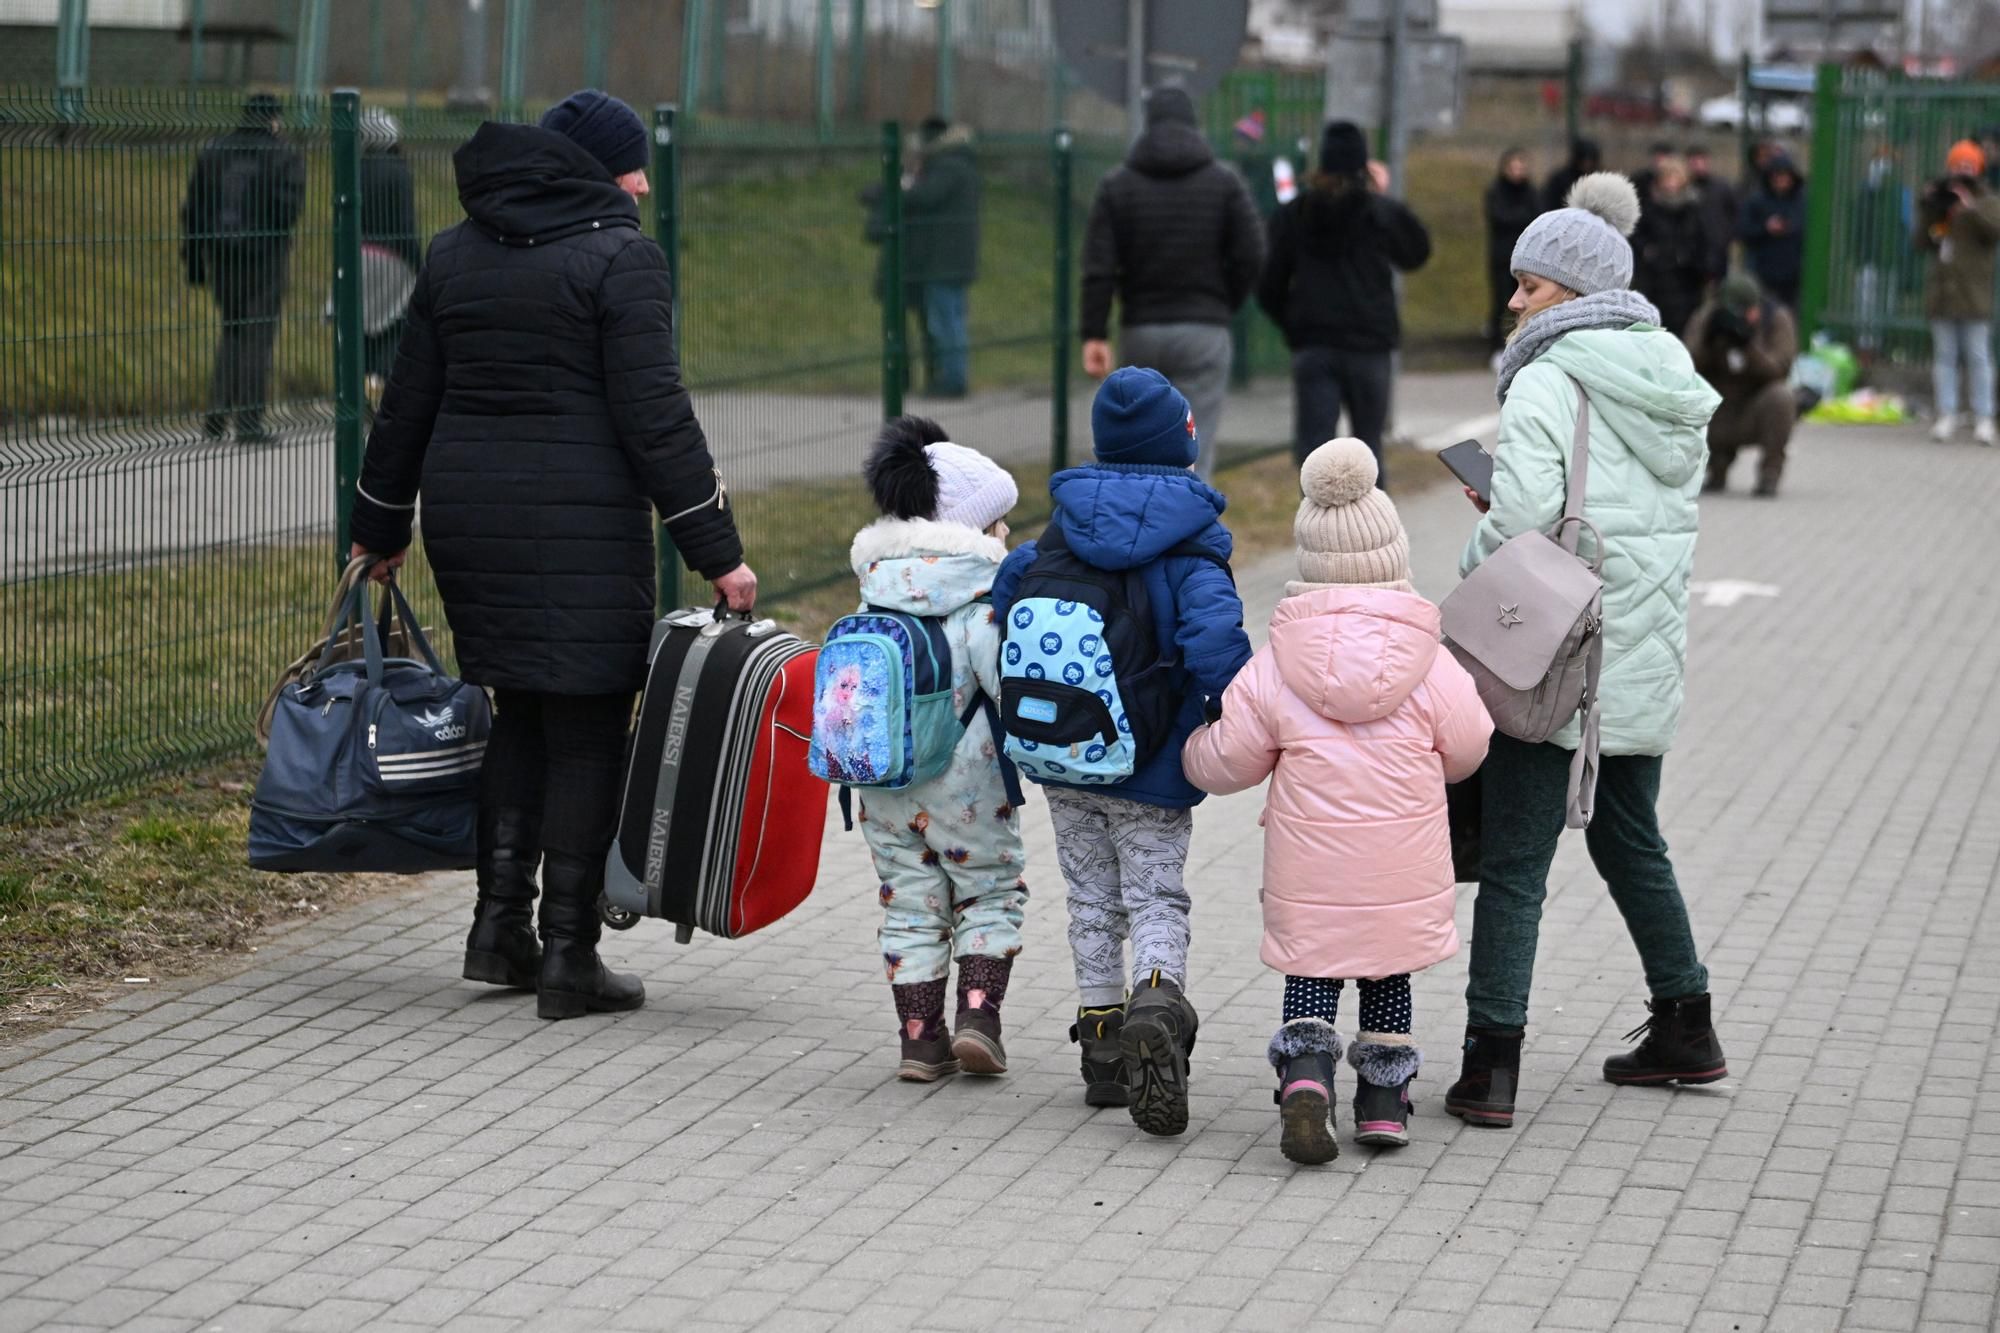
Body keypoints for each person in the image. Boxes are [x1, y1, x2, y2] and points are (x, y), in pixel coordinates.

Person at [346, 89, 758, 1021]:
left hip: (470, 520)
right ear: (592, 169)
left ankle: (499, 930)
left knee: (520, 710)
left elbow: (405, 405)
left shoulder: (454, 254)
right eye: (633, 163)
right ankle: (572, 951)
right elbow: (657, 419)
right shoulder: (620, 258)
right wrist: (717, 552)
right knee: (585, 725)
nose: (646, 181)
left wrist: (378, 527)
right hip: (582, 523)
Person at [1447, 172, 1729, 1130]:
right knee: (1628, 835)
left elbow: (1526, 520)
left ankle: (1490, 1066)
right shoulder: (1669, 380)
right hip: (1639, 654)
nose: (1513, 299)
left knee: (1517, 865)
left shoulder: (1547, 375)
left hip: (1555, 661)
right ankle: (1685, 1022)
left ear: (1569, 291)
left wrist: (1481, 551)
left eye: (1529, 285)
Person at [1182, 438, 1491, 1163]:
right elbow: (1471, 744)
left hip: (1310, 871)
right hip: (1401, 870)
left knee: (1313, 969)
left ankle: (1306, 1078)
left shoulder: (1278, 663)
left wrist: (1188, 752)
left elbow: (1229, 759)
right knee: (1388, 973)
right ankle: (1384, 1102)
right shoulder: (1431, 661)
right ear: (1394, 552)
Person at [992, 367, 1253, 1138]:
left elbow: (1007, 600)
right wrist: (1236, 711)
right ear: (1184, 449)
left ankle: (1103, 1050)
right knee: (1154, 896)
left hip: (1063, 758)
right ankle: (1158, 998)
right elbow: (1216, 647)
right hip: (1153, 766)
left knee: (1090, 902)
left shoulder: (1058, 532)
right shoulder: (1192, 546)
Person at [846, 416, 1028, 1081]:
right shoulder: (978, 605)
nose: (1006, 533)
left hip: (883, 783)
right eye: (999, 522)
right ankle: (978, 1018)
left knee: (909, 900)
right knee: (988, 892)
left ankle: (920, 1039)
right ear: (968, 529)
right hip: (968, 784)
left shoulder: (873, 595)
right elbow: (1006, 688)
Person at [1079, 87, 1265, 482]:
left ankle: (1140, 533)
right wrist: (1221, 302)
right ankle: (1193, 534)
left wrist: (1094, 332)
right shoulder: (1224, 182)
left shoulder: (1118, 185)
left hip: (1141, 330)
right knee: (1196, 444)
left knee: (1139, 447)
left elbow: (1099, 266)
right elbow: (1252, 252)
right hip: (1204, 329)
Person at [1257, 121, 1431, 484]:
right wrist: (1386, 196)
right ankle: (1373, 531)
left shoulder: (1294, 215)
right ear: (1364, 165)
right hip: (1369, 344)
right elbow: (1416, 253)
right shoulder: (1378, 212)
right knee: (1369, 448)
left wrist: (1295, 326)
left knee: (1315, 452)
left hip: (1315, 344)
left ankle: (1317, 531)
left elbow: (1268, 283)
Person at [181, 91, 305, 444]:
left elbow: (194, 206)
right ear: (274, 119)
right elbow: (288, 210)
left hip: (221, 256)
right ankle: (249, 422)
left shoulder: (215, 151)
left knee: (231, 330)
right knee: (258, 338)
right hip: (265, 256)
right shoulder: (283, 154)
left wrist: (194, 257)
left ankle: (217, 415)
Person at [1916, 139, 2000, 446]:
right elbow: (1921, 242)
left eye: (1968, 165)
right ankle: (1946, 414)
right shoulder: (1941, 198)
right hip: (1943, 292)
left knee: (1978, 357)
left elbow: (1995, 230)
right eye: (1957, 165)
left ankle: (1984, 418)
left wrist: (1971, 208)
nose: (1961, 171)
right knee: (1944, 357)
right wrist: (1928, 206)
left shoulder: (1987, 199)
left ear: (1977, 168)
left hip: (1973, 293)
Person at [1687, 271, 1798, 497]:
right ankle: (1715, 468)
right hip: (1718, 409)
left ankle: (1770, 473)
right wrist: (1710, 343)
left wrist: (1748, 345)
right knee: (1687, 396)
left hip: (1753, 409)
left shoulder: (1776, 320)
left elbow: (1779, 370)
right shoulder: (1708, 318)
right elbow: (1685, 367)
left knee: (1781, 397)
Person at [902, 116, 981, 398]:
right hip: (956, 258)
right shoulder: (964, 165)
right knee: (953, 319)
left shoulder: (948, 168)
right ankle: (954, 377)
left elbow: (924, 197)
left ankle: (953, 381)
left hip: (943, 260)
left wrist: (902, 186)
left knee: (945, 322)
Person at [358, 107, 420, 387]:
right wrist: (418, 263)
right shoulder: (399, 171)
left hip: (358, 255)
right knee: (393, 323)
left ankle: (360, 380)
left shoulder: (355, 168)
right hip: (393, 258)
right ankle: (381, 382)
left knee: (362, 324)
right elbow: (405, 225)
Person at [1631, 155, 1710, 337]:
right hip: (1655, 282)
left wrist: (1690, 259)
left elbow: (1703, 242)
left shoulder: (1694, 210)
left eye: (1675, 178)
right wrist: (1648, 252)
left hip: (1686, 284)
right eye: (1667, 178)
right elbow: (1637, 238)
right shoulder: (1649, 209)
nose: (1671, 183)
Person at [1483, 147, 1541, 354]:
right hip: (1502, 257)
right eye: (1513, 167)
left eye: (1521, 167)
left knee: (1528, 302)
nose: (1517, 171)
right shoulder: (1495, 191)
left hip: (1526, 259)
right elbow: (1500, 218)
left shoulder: (1532, 193)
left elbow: (1534, 218)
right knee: (1501, 302)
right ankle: (1498, 346)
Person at [1737, 154, 1806, 309]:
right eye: (1776, 175)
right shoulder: (1756, 201)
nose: (1780, 180)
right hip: (1763, 272)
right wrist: (1765, 228)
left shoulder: (1802, 202)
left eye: (1784, 175)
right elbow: (1743, 231)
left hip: (1794, 274)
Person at [1685, 144, 1738, 282]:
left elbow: (1734, 212)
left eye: (1701, 160)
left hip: (1718, 250)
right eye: (1694, 160)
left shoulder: (1721, 187)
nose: (1697, 165)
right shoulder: (1683, 188)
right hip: (1691, 253)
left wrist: (1726, 236)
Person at [1542, 138, 1602, 214]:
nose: (1587, 164)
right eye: (1584, 160)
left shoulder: (1598, 179)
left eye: (1590, 161)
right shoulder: (1560, 180)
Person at [1629, 139, 1676, 204]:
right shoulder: (1641, 178)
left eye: (1662, 157)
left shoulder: (1677, 177)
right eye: (1657, 156)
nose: (1659, 160)